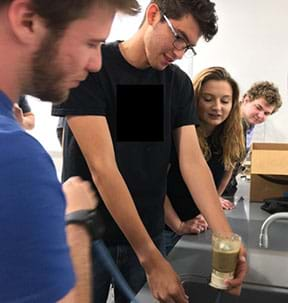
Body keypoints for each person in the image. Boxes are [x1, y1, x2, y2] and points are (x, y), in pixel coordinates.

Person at [52, 1, 247, 302]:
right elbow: (104, 169)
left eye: (188, 47)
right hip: (89, 237)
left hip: (148, 233)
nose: (180, 52)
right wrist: (151, 258)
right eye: (178, 37)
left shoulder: (176, 83)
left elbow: (191, 161)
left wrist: (226, 237)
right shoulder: (92, 67)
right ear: (153, 14)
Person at [0, 0, 140, 302]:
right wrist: (75, 220)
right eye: (91, 43)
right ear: (28, 22)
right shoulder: (17, 158)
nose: (96, 63)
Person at [164, 66, 245, 254]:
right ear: (194, 100)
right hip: (166, 227)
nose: (217, 107)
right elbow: (156, 185)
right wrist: (178, 225)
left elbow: (228, 169)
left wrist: (210, 204)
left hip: (196, 224)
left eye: (225, 101)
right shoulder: (176, 134)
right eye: (208, 99)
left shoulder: (230, 136)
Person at [223, 81, 282, 196]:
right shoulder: (228, 122)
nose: (261, 115)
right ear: (246, 99)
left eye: (266, 113)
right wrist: (214, 195)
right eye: (258, 107)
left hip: (226, 188)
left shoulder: (248, 125)